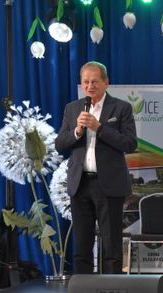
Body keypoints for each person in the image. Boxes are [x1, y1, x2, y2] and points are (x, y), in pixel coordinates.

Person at [55, 61, 137, 274]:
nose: (90, 86)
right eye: (86, 82)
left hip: (108, 184)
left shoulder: (121, 108)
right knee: (81, 243)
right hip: (80, 183)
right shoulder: (72, 108)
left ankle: (113, 288)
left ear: (106, 82)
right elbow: (60, 144)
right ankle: (82, 288)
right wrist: (77, 131)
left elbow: (130, 144)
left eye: (94, 81)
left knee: (111, 243)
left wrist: (99, 128)